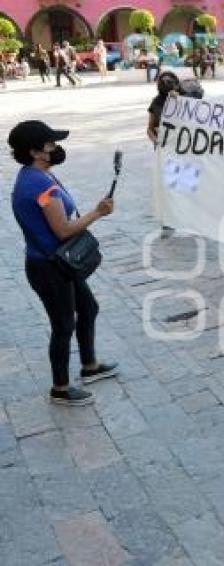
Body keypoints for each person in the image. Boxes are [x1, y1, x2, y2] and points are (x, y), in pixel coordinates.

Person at [8, 121, 118, 406]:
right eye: (50, 144)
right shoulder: (38, 184)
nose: (56, 147)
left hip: (60, 264)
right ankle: (60, 387)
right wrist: (98, 212)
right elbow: (63, 231)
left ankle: (89, 366)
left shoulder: (38, 176)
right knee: (63, 325)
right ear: (35, 152)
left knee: (88, 308)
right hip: (49, 267)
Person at [147, 71, 180, 145]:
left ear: (176, 84)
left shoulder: (184, 100)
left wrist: (180, 98)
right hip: (163, 148)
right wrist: (155, 140)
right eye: (163, 82)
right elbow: (150, 129)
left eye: (169, 82)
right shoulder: (156, 102)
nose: (166, 84)